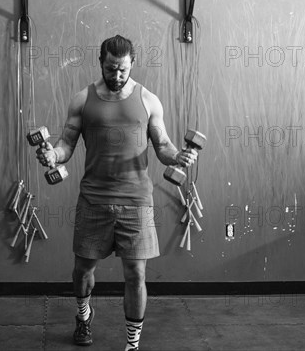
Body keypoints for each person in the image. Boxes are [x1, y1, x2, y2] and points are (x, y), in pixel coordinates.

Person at [36, 35, 197, 350]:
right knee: (82, 270)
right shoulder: (82, 100)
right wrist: (53, 155)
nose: (117, 75)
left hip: (136, 202)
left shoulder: (148, 100)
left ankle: (132, 344)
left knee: (136, 274)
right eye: (111, 69)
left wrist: (179, 157)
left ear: (132, 64)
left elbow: (163, 145)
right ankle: (83, 316)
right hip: (94, 199)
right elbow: (67, 142)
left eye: (122, 70)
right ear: (101, 63)